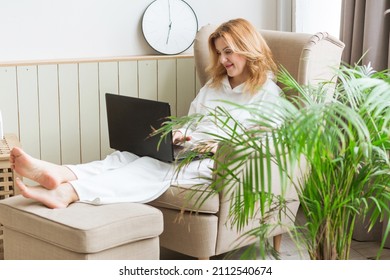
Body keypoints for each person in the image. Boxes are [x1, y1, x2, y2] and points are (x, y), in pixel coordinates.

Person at [10, 18, 281, 209]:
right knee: (128, 155)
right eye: (220, 52)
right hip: (191, 148)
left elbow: (268, 145)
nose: (223, 59)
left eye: (229, 52)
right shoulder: (214, 85)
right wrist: (180, 134)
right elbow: (193, 121)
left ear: (248, 49)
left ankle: (68, 192)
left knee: (151, 166)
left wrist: (215, 146)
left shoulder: (267, 93)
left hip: (221, 162)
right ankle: (62, 172)